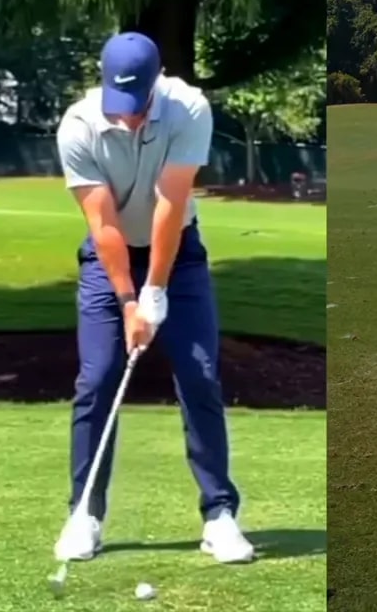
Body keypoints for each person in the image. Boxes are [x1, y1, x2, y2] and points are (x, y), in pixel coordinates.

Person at [52, 31, 255, 562]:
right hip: (108, 261)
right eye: (120, 106)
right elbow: (103, 224)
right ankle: (85, 513)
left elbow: (171, 203)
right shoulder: (78, 126)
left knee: (199, 373)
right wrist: (128, 302)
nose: (129, 119)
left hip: (178, 257)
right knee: (96, 379)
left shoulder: (188, 108)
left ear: (154, 84)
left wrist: (156, 291)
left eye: (137, 106)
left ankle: (219, 515)